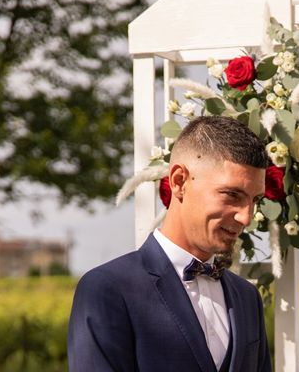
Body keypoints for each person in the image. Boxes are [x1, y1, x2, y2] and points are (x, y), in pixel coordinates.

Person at [68, 116, 272, 372]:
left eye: (255, 200)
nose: (246, 216)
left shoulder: (247, 297)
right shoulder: (108, 289)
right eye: (232, 195)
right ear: (179, 181)